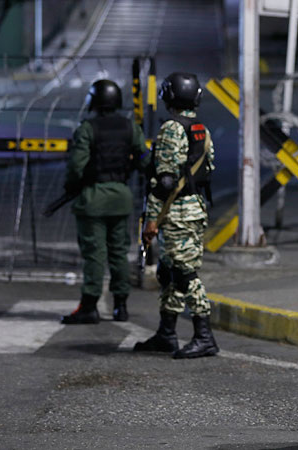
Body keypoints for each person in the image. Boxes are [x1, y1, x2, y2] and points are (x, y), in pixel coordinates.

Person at [133, 72, 218, 359]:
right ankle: (166, 333)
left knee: (184, 274)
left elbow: (165, 181)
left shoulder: (171, 128)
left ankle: (204, 336)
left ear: (169, 96)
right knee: (170, 272)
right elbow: (208, 169)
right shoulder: (200, 128)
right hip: (193, 208)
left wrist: (151, 220)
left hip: (176, 211)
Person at [60, 79, 150, 325]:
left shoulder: (88, 129)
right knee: (119, 252)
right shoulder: (130, 127)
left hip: (93, 199)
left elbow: (76, 166)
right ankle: (121, 305)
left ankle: (89, 306)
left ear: (94, 101)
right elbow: (144, 159)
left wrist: (72, 185)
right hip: (120, 197)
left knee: (95, 254)